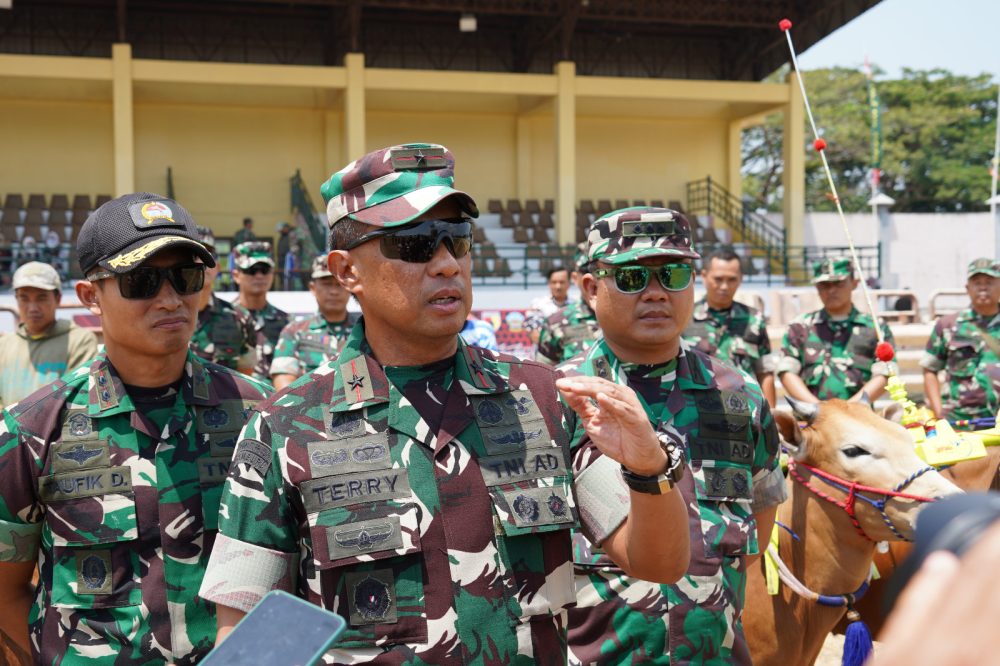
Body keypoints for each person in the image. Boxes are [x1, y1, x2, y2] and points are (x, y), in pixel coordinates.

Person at [199, 143, 690, 665]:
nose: (446, 264)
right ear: (346, 272)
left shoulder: (544, 397)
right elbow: (245, 639)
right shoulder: (283, 428)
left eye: (457, 240)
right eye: (414, 244)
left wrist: (648, 471)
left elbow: (658, 561)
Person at [0, 192, 273, 664]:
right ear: (90, 297)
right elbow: (6, 593)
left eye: (185, 277)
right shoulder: (33, 430)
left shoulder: (259, 413)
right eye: (142, 281)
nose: (170, 299)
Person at [560, 207, 785, 665]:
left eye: (674, 273)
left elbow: (760, 518)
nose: (656, 293)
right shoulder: (558, 400)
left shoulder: (738, 397)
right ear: (590, 289)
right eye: (632, 278)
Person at [778, 257, 896, 403]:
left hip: (858, 417)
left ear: (854, 283)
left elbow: (885, 373)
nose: (831, 290)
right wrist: (819, 409)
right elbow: (787, 372)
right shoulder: (800, 327)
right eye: (824, 285)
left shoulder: (876, 328)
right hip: (811, 419)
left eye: (839, 283)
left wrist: (848, 409)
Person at [683, 247, 777, 406]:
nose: (725, 286)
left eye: (732, 279)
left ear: (740, 279)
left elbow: (765, 372)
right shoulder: (684, 318)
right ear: (704, 277)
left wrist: (771, 415)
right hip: (696, 410)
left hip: (746, 409)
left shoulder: (754, 319)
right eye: (718, 279)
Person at [0, 262, 98, 408]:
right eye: (24, 298)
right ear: (16, 299)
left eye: (41, 298)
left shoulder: (79, 341)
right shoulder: (4, 345)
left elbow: (77, 402)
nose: (32, 308)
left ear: (58, 299)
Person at [921, 257, 1000, 422]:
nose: (983, 287)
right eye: (977, 282)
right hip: (959, 423)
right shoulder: (948, 325)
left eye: (989, 281)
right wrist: (939, 413)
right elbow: (930, 369)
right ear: (967, 288)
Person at [270, 255, 358, 390]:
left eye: (339, 284)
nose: (334, 291)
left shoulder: (364, 329)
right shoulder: (294, 332)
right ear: (312, 288)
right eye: (327, 284)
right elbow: (283, 383)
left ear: (349, 286)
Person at [189, 225, 257, 374]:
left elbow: (245, 375)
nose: (201, 261)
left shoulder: (240, 318)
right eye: (193, 254)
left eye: (208, 254)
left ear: (218, 267)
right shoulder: (165, 313)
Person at [232, 240, 289, 383]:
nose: (259, 276)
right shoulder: (224, 317)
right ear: (236, 275)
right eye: (252, 270)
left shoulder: (287, 323)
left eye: (264, 270)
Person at [536, 254, 601, 365]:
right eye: (587, 271)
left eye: (599, 271)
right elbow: (544, 371)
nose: (558, 286)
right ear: (576, 278)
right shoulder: (549, 315)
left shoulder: (629, 317)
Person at [526, 265, 575, 341]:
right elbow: (534, 335)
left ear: (569, 283)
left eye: (562, 282)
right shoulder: (537, 305)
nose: (558, 286)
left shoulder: (577, 304)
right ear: (549, 283)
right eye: (554, 282)